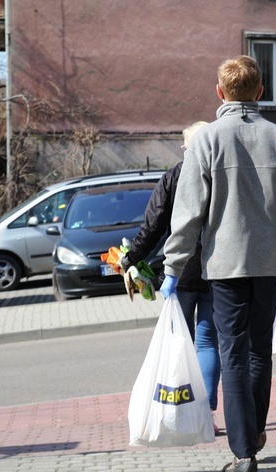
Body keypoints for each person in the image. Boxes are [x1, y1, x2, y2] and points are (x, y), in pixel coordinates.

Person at [160, 55, 276, 472]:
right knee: (258, 352)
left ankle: (244, 455)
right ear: (260, 93)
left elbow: (188, 213)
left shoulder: (207, 141)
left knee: (232, 354)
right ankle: (256, 431)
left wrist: (172, 268)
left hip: (226, 265)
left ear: (220, 92)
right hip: (270, 265)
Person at [120, 121, 222, 435]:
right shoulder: (222, 174)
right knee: (208, 343)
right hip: (217, 267)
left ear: (188, 147)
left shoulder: (175, 176)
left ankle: (180, 413)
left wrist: (130, 259)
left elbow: (152, 226)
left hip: (180, 270)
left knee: (181, 341)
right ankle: (206, 413)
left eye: (184, 143)